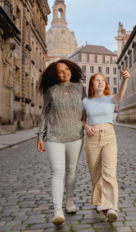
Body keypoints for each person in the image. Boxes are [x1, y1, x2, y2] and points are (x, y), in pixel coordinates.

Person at [36, 59, 86, 225]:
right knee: (57, 171)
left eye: (67, 69)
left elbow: (86, 111)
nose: (65, 72)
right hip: (54, 136)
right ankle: (57, 210)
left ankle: (69, 200)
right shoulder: (51, 91)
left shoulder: (80, 89)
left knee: (71, 171)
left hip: (75, 136)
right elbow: (44, 114)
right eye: (61, 71)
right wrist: (40, 136)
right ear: (55, 75)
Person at [82, 67, 130, 223]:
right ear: (92, 84)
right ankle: (99, 201)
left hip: (109, 137)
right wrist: (85, 126)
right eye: (97, 80)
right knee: (95, 173)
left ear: (106, 83)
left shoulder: (111, 98)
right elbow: (82, 120)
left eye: (103, 80)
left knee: (109, 172)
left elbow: (121, 94)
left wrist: (125, 79)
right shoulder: (85, 101)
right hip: (92, 138)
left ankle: (111, 207)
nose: (100, 82)